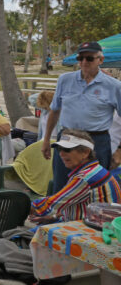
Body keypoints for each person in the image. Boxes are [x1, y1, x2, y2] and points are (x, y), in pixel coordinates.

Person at [42, 41, 121, 192]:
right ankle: (61, 216)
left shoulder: (114, 86)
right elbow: (54, 110)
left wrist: (119, 151)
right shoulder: (64, 80)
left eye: (90, 58)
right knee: (62, 187)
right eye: (81, 58)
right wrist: (46, 140)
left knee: (95, 190)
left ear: (101, 60)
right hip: (66, 139)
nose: (84, 62)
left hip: (97, 142)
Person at [30, 129, 121, 224]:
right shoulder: (96, 170)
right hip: (99, 223)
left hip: (96, 230)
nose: (61, 154)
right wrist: (53, 217)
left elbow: (52, 204)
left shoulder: (84, 178)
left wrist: (24, 206)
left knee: (22, 235)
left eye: (67, 149)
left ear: (85, 152)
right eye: (59, 149)